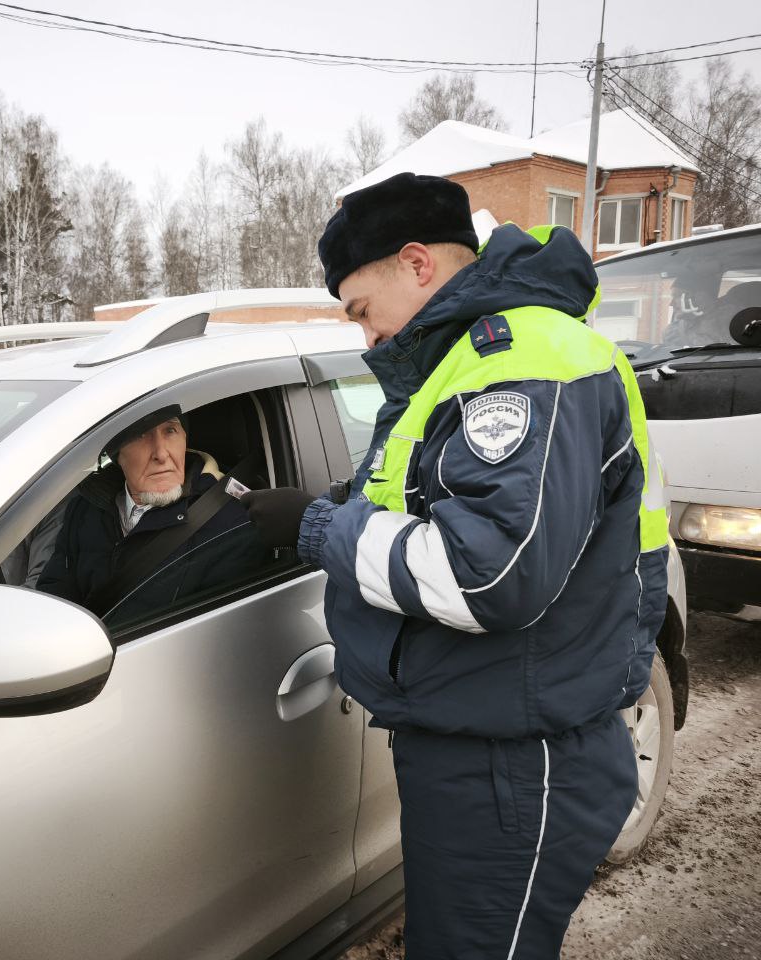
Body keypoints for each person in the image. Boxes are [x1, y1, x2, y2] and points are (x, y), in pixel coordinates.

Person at [241, 172, 669, 960]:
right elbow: (423, 500)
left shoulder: (525, 358)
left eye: (360, 309)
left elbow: (487, 574)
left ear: (416, 264)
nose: (365, 336)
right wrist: (329, 504)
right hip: (481, 738)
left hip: (514, 760)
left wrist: (317, 528)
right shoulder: (460, 362)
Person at [37, 405, 268, 619]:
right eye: (141, 434)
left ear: (184, 439)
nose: (161, 453)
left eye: (170, 430)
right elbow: (54, 597)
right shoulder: (86, 508)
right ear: (117, 454)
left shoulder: (230, 522)